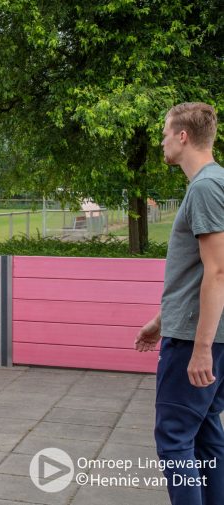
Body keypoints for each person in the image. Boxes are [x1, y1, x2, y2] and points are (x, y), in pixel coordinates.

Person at [135, 102, 224, 505]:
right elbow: (198, 273)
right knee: (205, 433)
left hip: (197, 339)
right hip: (201, 331)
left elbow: (218, 271)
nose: (162, 142)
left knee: (174, 439)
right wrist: (160, 321)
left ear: (183, 136)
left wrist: (201, 348)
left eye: (165, 133)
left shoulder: (206, 187)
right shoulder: (216, 183)